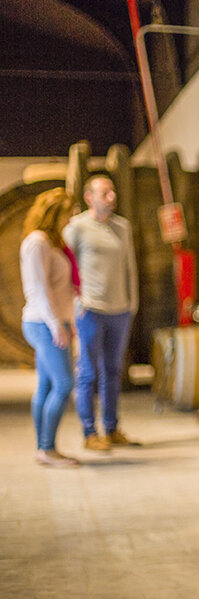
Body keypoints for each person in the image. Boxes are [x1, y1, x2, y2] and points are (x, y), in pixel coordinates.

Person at [64, 174, 138, 451]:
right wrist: (75, 305)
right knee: (87, 372)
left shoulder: (123, 227)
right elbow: (66, 268)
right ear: (89, 197)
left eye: (112, 192)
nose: (111, 197)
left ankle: (112, 427)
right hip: (90, 309)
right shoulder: (76, 228)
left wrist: (133, 303)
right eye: (105, 193)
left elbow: (130, 265)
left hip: (120, 310)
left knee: (113, 371)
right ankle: (89, 432)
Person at [20, 187, 80, 467]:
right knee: (64, 383)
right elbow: (38, 290)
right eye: (67, 213)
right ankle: (47, 448)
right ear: (54, 214)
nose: (70, 219)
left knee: (45, 385)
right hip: (42, 322)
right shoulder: (36, 243)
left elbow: (62, 289)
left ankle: (44, 448)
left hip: (57, 321)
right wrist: (57, 326)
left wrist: (69, 320)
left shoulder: (52, 242)